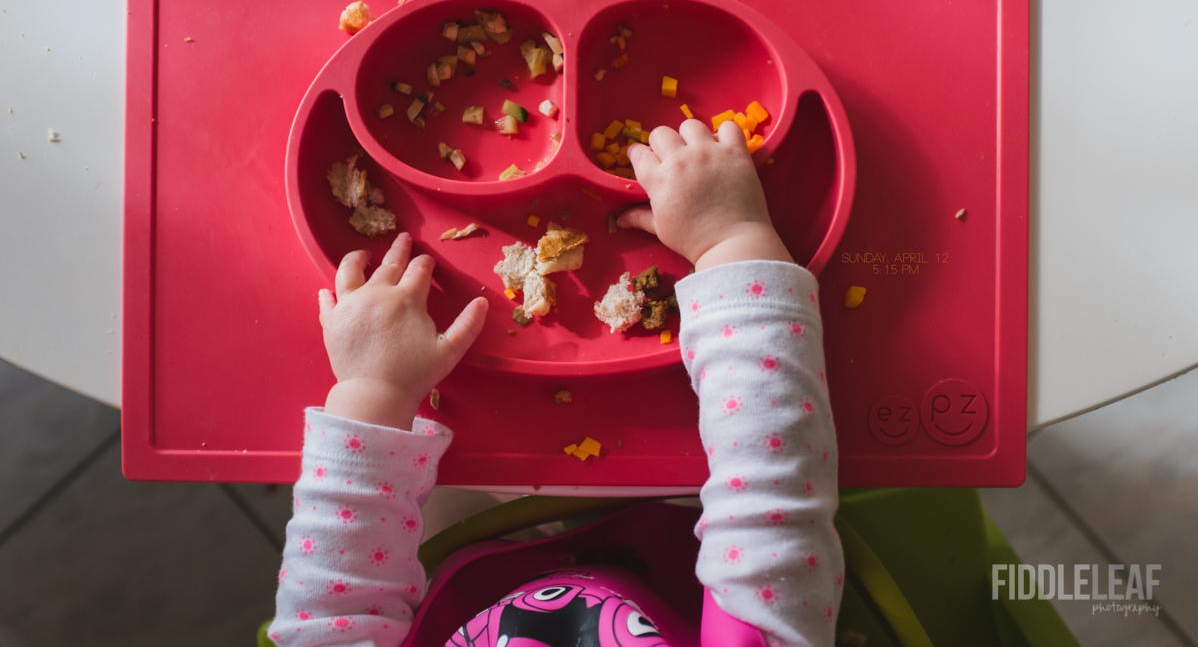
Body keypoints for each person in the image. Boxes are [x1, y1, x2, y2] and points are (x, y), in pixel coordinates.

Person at [271, 119, 843, 646]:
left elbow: (328, 618)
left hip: (469, 581)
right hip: (681, 574)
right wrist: (731, 238)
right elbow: (773, 491)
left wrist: (373, 390)